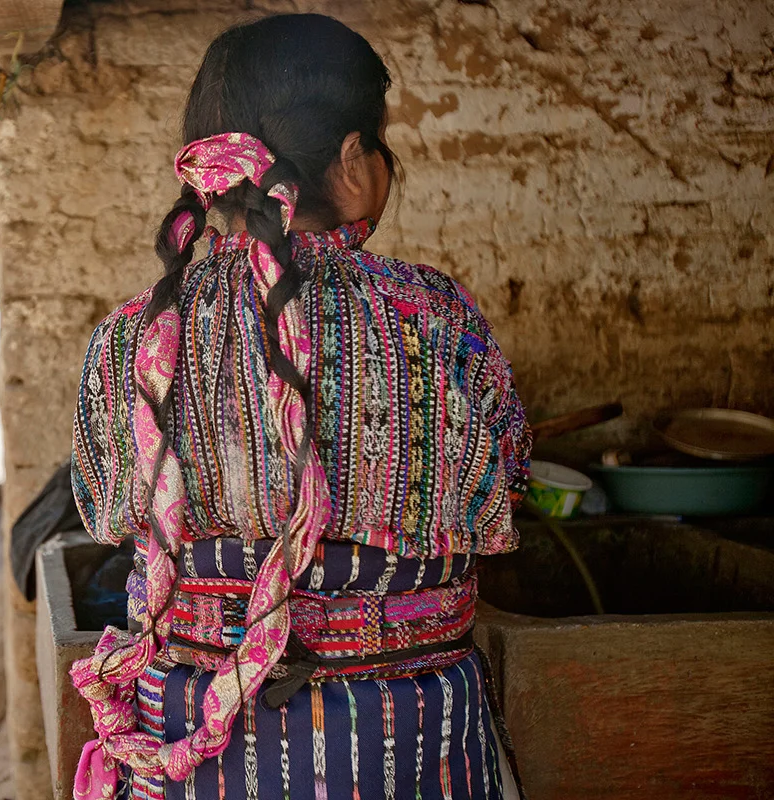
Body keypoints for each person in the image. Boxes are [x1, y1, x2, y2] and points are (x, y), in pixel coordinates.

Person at [64, 15, 528, 799]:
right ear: (351, 161)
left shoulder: (125, 343)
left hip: (194, 747)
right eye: (381, 143)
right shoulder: (436, 317)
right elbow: (500, 508)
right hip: (402, 751)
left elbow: (107, 521)